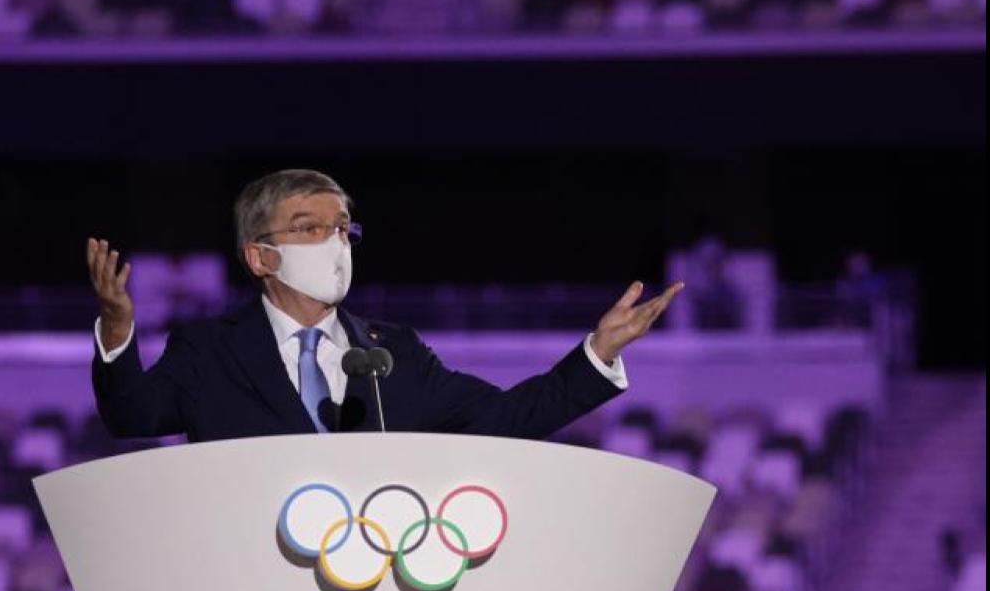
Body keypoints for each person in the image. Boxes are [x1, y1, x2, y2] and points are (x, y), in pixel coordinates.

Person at [85, 169, 682, 442]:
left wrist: (598, 353)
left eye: (342, 228)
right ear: (260, 257)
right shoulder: (210, 351)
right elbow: (134, 416)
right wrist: (117, 327)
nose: (335, 242)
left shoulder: (392, 352)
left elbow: (503, 419)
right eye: (309, 228)